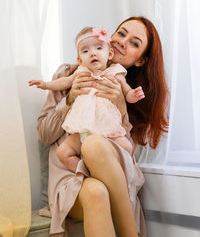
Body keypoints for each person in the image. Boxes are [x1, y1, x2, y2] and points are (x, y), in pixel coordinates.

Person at [37, 16, 168, 237]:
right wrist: (69, 101)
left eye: (134, 43)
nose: (122, 42)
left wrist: (121, 107)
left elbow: (127, 152)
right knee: (95, 190)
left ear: (140, 61)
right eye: (121, 33)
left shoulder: (130, 92)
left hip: (113, 176)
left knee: (95, 145)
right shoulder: (69, 74)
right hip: (71, 177)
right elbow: (44, 134)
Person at [29, 26, 145, 173]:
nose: (92, 53)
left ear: (109, 53)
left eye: (98, 48)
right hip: (83, 127)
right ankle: (85, 173)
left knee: (127, 147)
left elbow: (127, 92)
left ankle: (111, 173)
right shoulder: (80, 72)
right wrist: (46, 85)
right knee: (63, 152)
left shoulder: (115, 73)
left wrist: (132, 96)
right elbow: (64, 82)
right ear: (80, 59)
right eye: (85, 51)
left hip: (107, 128)